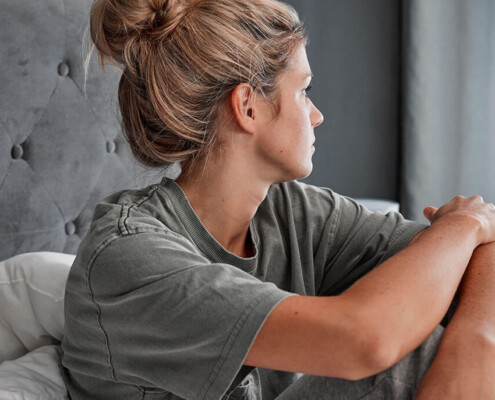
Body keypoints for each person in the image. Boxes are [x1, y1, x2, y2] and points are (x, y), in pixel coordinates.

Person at [60, 0, 495, 399]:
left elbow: (479, 254)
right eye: (303, 90)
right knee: (418, 352)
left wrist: (474, 337)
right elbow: (366, 340)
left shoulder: (290, 212)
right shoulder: (126, 257)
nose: (317, 114)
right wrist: (463, 224)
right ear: (248, 107)